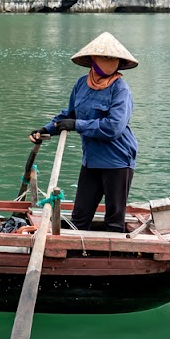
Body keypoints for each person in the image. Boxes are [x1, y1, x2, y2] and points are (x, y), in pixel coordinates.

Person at [29, 32, 139, 233]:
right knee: (80, 217)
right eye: (104, 57)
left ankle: (114, 260)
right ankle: (73, 258)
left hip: (117, 160)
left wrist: (77, 125)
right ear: (93, 60)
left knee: (114, 220)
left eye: (112, 59)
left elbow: (113, 127)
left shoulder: (120, 89)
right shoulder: (82, 84)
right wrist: (47, 129)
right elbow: (68, 115)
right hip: (91, 160)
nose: (109, 62)